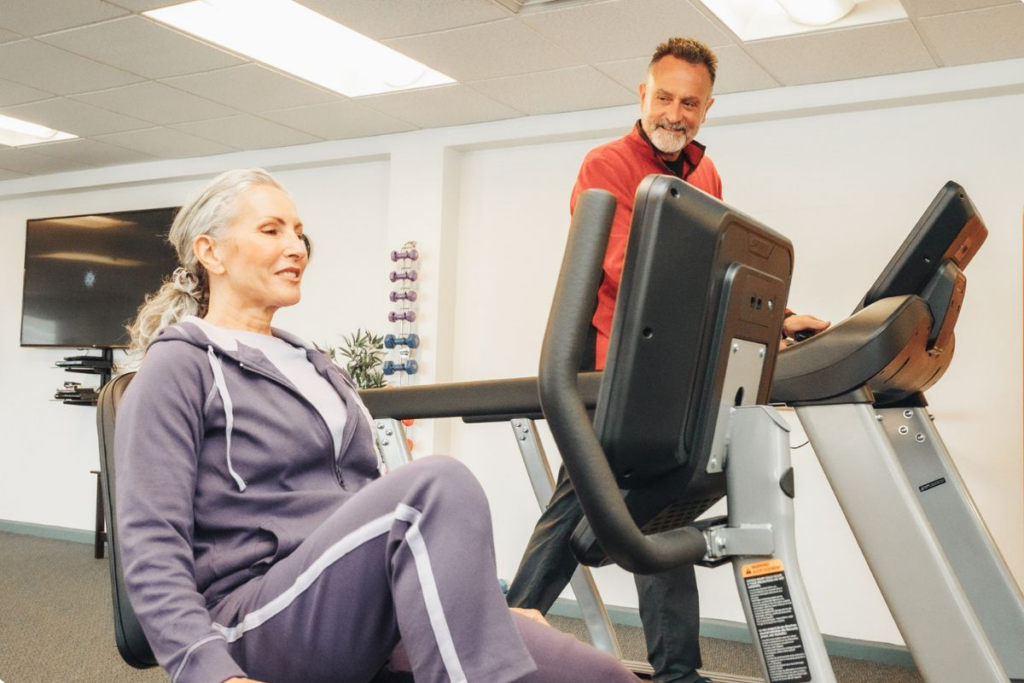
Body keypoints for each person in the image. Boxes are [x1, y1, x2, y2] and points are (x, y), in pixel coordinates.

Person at [116, 168, 642, 683]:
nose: (297, 247)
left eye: (299, 232)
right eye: (271, 229)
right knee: (437, 484)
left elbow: (365, 517)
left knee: (601, 675)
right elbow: (150, 542)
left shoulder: (315, 364)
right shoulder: (179, 365)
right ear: (211, 253)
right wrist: (208, 673)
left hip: (364, 604)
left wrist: (478, 611)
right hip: (256, 620)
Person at [505, 38, 830, 683]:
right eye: (663, 97)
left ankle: (674, 670)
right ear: (641, 95)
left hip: (678, 375)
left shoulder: (705, 176)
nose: (673, 112)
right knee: (588, 510)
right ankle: (500, 635)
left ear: (707, 108)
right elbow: (633, 269)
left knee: (657, 512)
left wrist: (777, 314)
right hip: (613, 375)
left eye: (689, 102)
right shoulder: (609, 163)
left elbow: (729, 269)